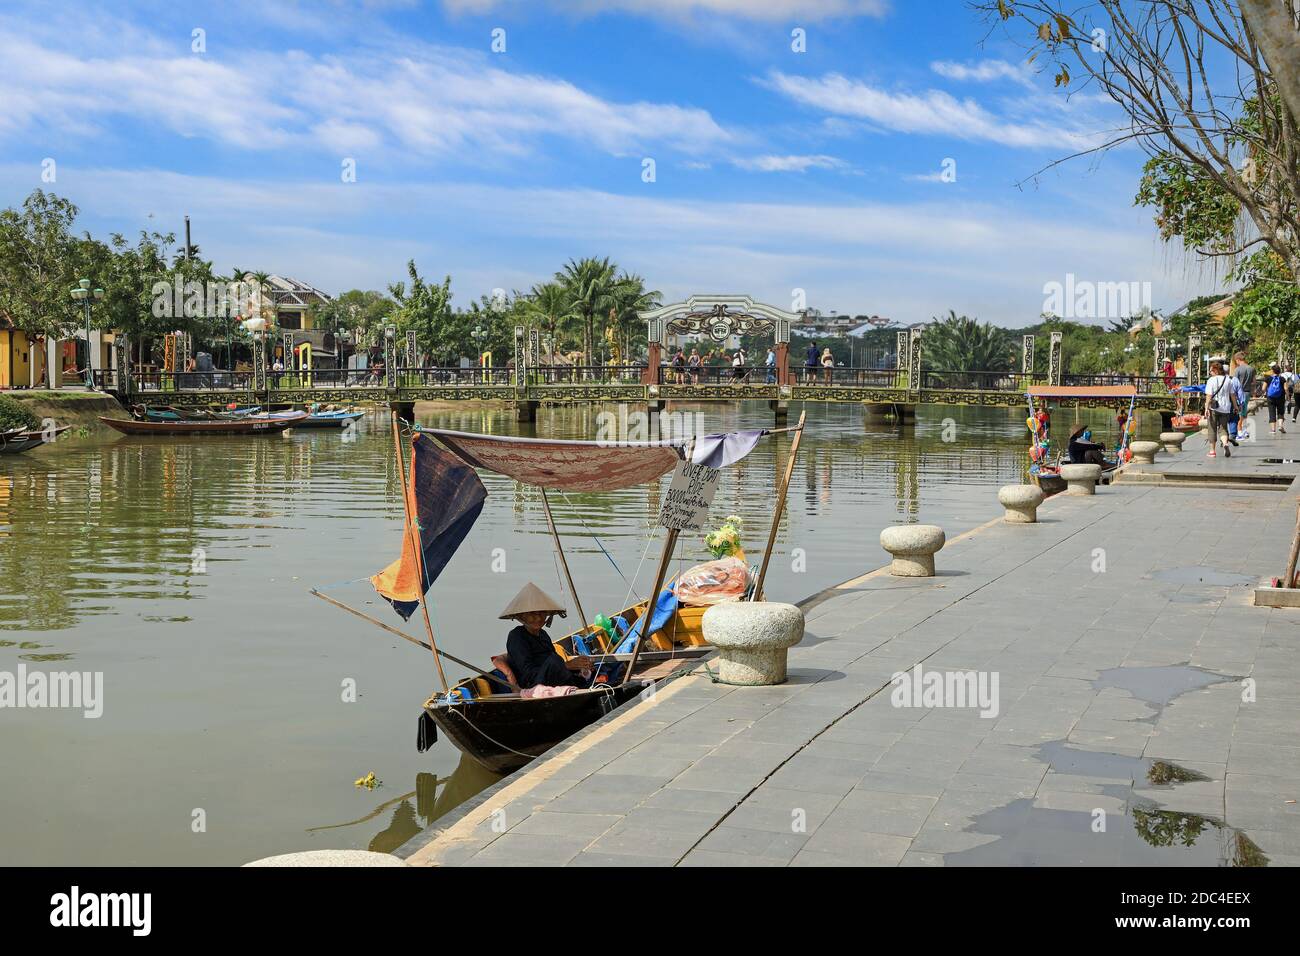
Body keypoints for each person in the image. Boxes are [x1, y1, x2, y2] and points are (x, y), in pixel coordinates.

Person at [500, 583, 592, 690]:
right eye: (532, 614)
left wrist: (579, 665)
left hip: (552, 679)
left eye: (541, 613)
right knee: (554, 661)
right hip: (532, 685)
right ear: (521, 616)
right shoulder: (517, 636)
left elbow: (556, 664)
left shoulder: (543, 635)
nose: (538, 618)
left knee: (574, 664)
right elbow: (529, 674)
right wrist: (566, 666)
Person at [1203, 359, 1238, 458]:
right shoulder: (1228, 380)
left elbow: (1209, 396)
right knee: (1223, 428)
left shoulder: (1211, 380)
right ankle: (1225, 444)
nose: (1210, 373)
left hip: (1213, 408)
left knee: (1212, 429)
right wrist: (1235, 406)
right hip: (1226, 408)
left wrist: (1206, 408)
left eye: (1211, 371)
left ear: (1216, 371)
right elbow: (1232, 395)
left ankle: (1212, 451)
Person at [1264, 363, 1288, 436]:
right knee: (1280, 412)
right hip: (1280, 397)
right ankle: (1280, 426)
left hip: (1270, 398)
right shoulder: (1282, 379)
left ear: (1272, 371)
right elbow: (1286, 388)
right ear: (1279, 371)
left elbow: (1263, 388)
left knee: (1272, 413)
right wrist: (1288, 396)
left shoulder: (1268, 378)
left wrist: (1267, 392)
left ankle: (1273, 430)